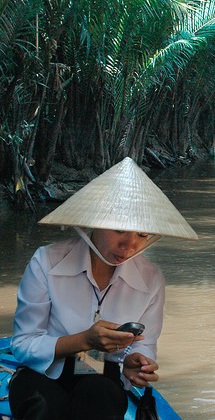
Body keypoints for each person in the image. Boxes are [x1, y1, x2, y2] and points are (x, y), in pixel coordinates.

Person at [8, 157, 197, 420]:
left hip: (102, 378)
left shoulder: (150, 278)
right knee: (45, 406)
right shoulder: (47, 261)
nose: (129, 245)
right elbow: (23, 344)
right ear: (94, 221)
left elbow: (145, 344)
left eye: (142, 235)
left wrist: (137, 363)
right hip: (41, 374)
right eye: (120, 229)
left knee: (101, 397)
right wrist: (83, 340)